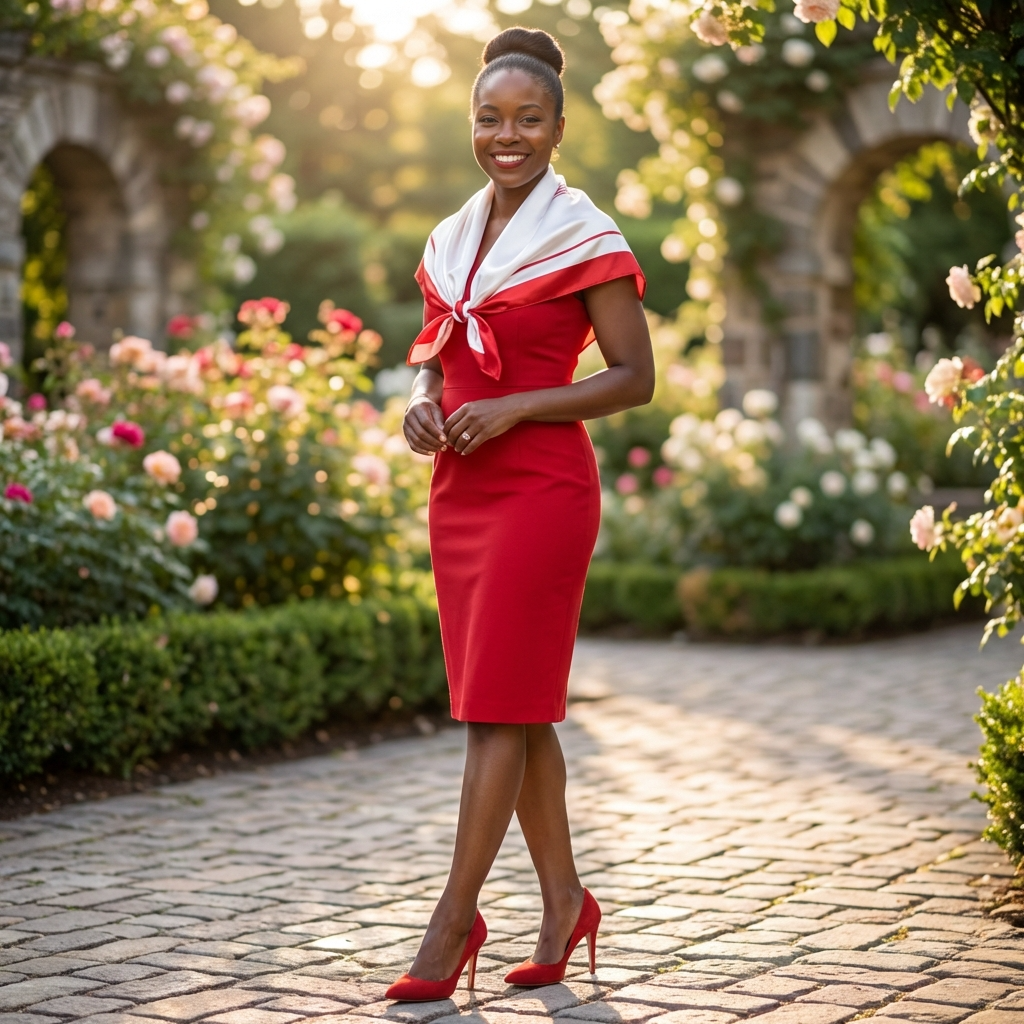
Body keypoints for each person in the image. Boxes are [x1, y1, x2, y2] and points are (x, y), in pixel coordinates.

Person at [387, 25, 655, 1003]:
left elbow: (635, 378)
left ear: (557, 127)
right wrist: (424, 395)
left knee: (493, 711)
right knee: (518, 703)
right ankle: (564, 899)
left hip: (542, 488)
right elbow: (434, 345)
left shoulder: (586, 236)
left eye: (527, 119)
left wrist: (518, 401)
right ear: (473, 123)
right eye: (489, 118)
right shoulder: (452, 236)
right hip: (459, 486)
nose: (507, 135)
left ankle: (452, 920)